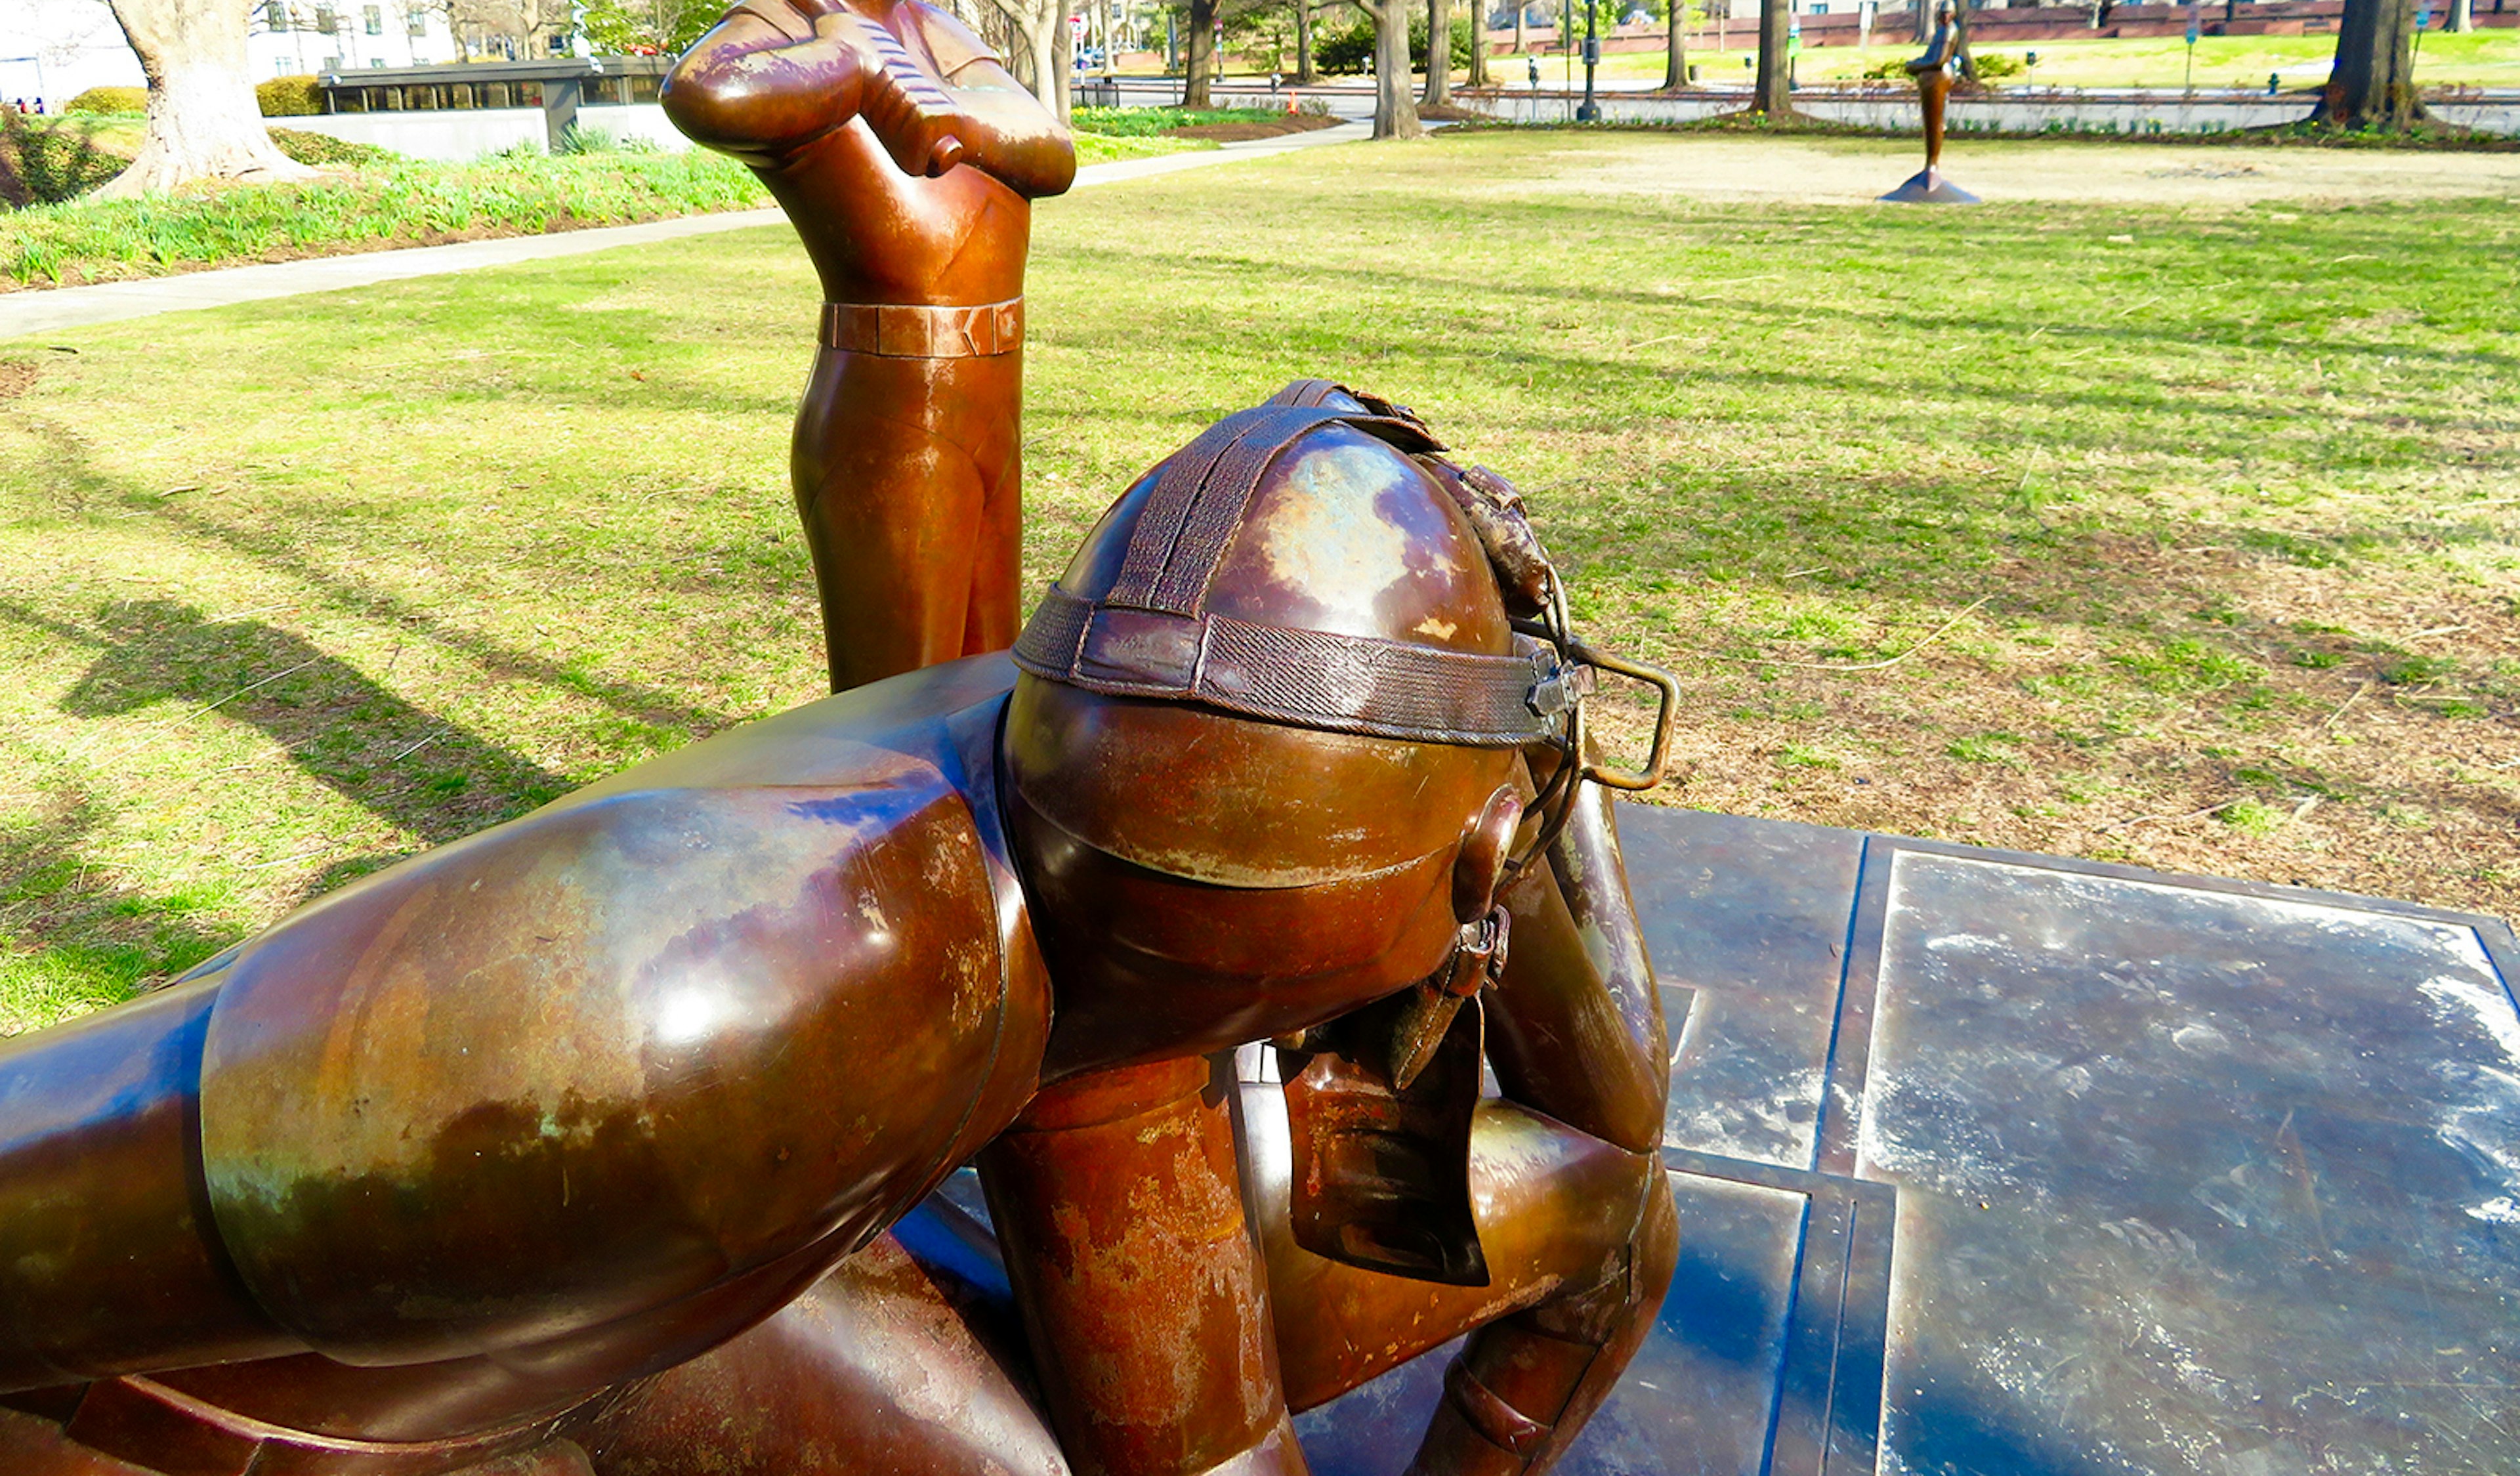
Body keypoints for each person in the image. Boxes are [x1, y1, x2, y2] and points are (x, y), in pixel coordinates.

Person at [0, 385, 1677, 1476]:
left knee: (1613, 1224)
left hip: (1028, 1085)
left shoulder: (1100, 807)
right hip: (381, 1391)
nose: (1500, 881)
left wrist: (1536, 767)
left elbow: (1608, 1123)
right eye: (1491, 851)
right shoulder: (661, 1015)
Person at [662, 0, 1077, 693]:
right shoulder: (790, 26)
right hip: (890, 406)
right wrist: (839, 62)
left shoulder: (931, 32)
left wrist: (959, 115)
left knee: (986, 681)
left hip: (988, 390)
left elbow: (1051, 151)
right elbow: (703, 93)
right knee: (894, 705)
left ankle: (970, 832)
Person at [1905, 1, 1960, 188]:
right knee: (1929, 120)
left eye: (1948, 13)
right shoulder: (1940, 32)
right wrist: (1916, 63)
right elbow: (1930, 56)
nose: (1945, 17)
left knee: (1935, 120)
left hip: (1939, 78)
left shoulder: (1949, 32)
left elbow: (1938, 60)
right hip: (1930, 80)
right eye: (1942, 13)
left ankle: (1933, 164)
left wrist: (1917, 66)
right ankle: (1929, 164)